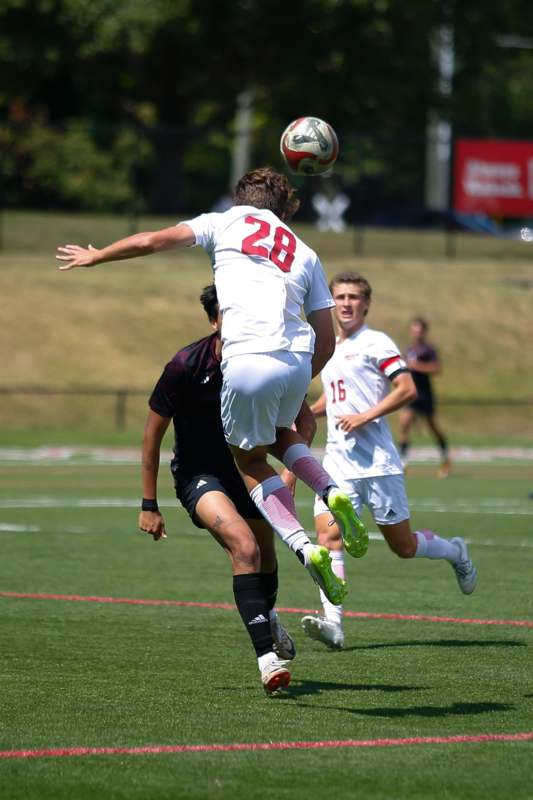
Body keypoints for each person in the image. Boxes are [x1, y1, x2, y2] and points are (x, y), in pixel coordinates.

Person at [56, 167, 369, 687]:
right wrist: (297, 385)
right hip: (296, 359)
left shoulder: (223, 223)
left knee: (248, 460)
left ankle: (305, 548)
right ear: (284, 207)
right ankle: (331, 492)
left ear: (238, 198)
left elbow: (154, 240)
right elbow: (327, 340)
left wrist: (99, 255)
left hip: (249, 362)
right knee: (282, 440)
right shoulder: (304, 250)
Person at [298, 272, 477, 650]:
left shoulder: (376, 342)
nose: (346, 303)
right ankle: (334, 625)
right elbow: (335, 398)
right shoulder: (326, 346)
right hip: (338, 463)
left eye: (354, 297)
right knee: (329, 537)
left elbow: (407, 388)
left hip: (378, 464)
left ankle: (455, 551)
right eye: (340, 297)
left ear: (366, 304)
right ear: (331, 303)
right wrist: (307, 413)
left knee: (404, 547)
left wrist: (365, 416)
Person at [139, 284, 296, 695]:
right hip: (198, 475)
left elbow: (290, 423)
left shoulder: (264, 366)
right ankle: (267, 660)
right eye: (230, 313)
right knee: (244, 549)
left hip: (249, 470)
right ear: (214, 320)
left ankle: (267, 615)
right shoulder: (185, 365)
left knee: (266, 554)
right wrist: (148, 503)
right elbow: (152, 436)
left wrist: (295, 466)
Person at [398, 317, 451, 478]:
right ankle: (403, 462)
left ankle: (445, 458)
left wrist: (416, 366)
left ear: (424, 332)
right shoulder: (409, 350)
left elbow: (436, 368)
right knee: (405, 423)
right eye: (414, 330)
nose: (417, 334)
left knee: (432, 427)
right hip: (410, 393)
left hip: (425, 394)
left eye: (419, 331)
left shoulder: (429, 350)